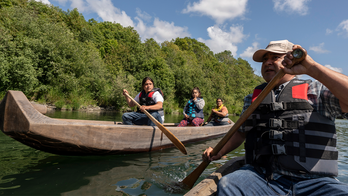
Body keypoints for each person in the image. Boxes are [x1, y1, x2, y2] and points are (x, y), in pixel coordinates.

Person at [203, 40, 348, 195]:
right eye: (265, 59)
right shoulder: (252, 98)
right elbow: (241, 132)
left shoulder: (315, 89)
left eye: (275, 57)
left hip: (315, 183)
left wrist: (312, 68)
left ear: (291, 61)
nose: (268, 62)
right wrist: (219, 151)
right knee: (229, 184)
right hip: (263, 177)